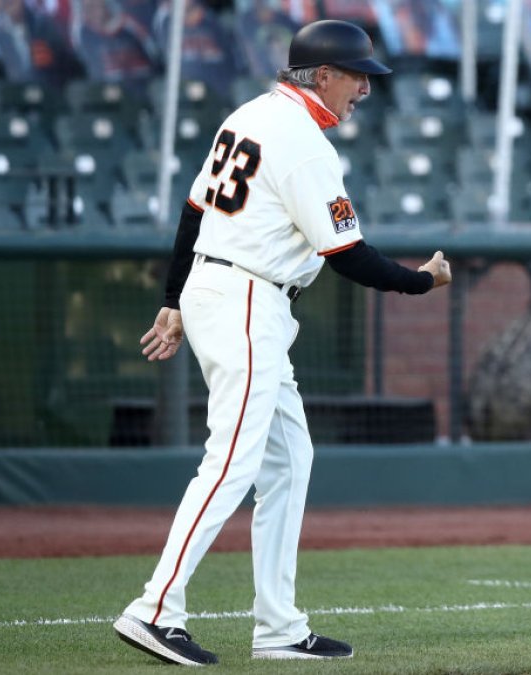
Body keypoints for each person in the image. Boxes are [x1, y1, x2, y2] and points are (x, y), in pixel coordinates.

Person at [113, 19, 452, 666]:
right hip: (246, 298)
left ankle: (278, 627)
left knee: (289, 457)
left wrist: (171, 298)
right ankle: (155, 608)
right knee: (233, 461)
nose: (365, 90)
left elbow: (194, 213)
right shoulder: (302, 140)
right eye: (357, 76)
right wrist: (421, 282)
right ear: (322, 75)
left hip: (230, 290)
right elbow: (348, 254)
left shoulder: (247, 114)